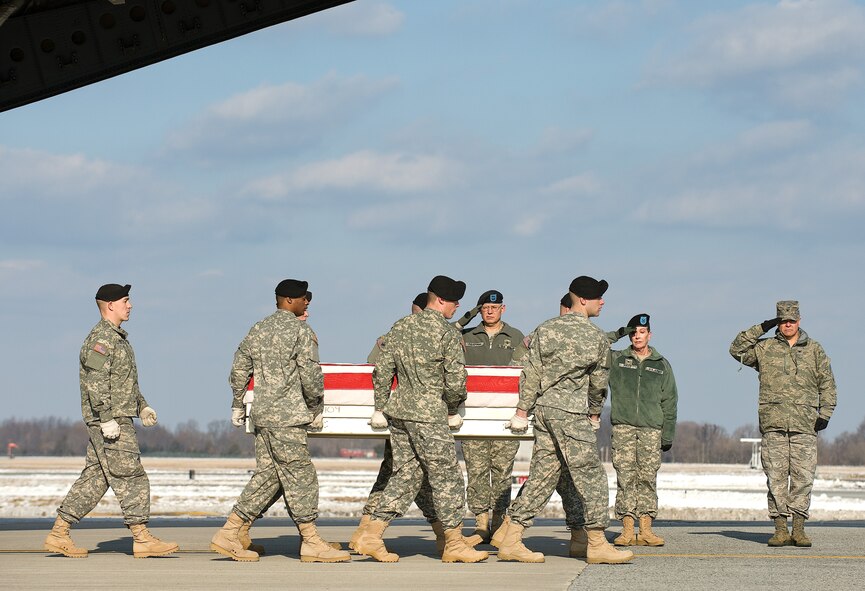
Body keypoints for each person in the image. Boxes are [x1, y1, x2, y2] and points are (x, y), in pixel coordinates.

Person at [492, 276, 633, 564]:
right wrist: (594, 413)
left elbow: (530, 374)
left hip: (543, 411)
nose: (602, 302)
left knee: (543, 476)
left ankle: (511, 539)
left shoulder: (546, 329)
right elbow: (598, 383)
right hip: (570, 414)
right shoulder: (596, 337)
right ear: (582, 300)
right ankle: (596, 543)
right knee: (591, 476)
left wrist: (523, 411)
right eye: (597, 297)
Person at [210, 279, 350, 563]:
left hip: (263, 416)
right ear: (288, 300)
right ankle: (310, 541)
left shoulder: (258, 329)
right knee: (301, 475)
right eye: (303, 298)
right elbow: (310, 374)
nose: (307, 302)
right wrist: (315, 406)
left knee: (271, 476)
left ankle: (231, 531)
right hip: (287, 418)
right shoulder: (300, 330)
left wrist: (238, 403)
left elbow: (239, 369)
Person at [352, 275, 488, 563]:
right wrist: (453, 409)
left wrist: (381, 406)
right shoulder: (446, 332)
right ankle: (453, 543)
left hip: (399, 412)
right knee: (447, 477)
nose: (457, 306)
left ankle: (371, 535)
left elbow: (382, 370)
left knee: (407, 475)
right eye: (453, 301)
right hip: (429, 415)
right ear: (440, 300)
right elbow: (455, 381)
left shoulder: (401, 326)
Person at [44, 284, 178, 559]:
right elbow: (96, 382)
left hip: (117, 416)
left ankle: (59, 533)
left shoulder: (117, 338)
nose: (130, 306)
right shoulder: (102, 339)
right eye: (126, 301)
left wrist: (142, 405)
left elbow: (121, 381)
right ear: (110, 305)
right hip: (110, 421)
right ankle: (142, 539)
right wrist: (106, 418)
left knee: (95, 479)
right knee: (132, 476)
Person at [730, 300, 836, 548]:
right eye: (782, 320)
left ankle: (798, 529)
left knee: (803, 478)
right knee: (775, 478)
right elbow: (736, 349)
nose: (788, 324)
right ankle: (779, 529)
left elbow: (827, 383)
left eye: (791, 320)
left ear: (799, 321)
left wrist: (826, 413)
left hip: (805, 425)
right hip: (773, 424)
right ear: (778, 322)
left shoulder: (814, 349)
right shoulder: (765, 349)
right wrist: (762, 328)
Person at [606, 313, 678, 547]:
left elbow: (670, 401)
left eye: (641, 332)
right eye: (633, 332)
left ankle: (646, 529)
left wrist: (667, 434)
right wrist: (619, 333)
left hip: (651, 429)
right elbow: (597, 345)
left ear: (650, 335)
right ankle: (627, 529)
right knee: (625, 477)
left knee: (647, 478)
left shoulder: (661, 364)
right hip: (624, 427)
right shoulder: (617, 360)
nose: (637, 336)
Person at [459, 290, 525, 542]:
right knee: (476, 470)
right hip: (473, 414)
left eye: (494, 308)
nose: (489, 311)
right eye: (485, 307)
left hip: (505, 416)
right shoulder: (466, 336)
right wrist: (466, 320)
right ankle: (480, 522)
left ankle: (499, 520)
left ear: (503, 309)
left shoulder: (516, 337)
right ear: (479, 310)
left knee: (501, 470)